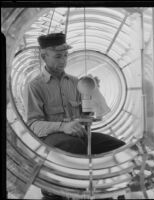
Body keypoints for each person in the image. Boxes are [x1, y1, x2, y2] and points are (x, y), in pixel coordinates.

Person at [24, 32, 125, 200]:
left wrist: (91, 94)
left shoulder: (76, 82)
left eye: (65, 55)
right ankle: (69, 192)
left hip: (80, 135)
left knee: (120, 149)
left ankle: (115, 192)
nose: (63, 60)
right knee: (74, 147)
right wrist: (64, 127)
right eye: (58, 56)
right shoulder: (35, 86)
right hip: (52, 139)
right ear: (43, 56)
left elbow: (86, 117)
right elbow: (33, 124)